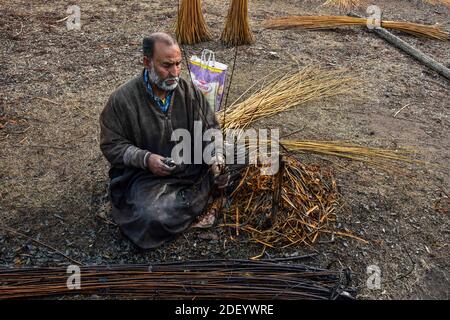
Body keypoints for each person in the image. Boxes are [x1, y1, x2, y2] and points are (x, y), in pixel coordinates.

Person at [99, 32, 228, 249]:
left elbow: (211, 129)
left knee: (242, 156)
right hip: (147, 178)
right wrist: (146, 159)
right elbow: (111, 145)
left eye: (178, 64)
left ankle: (201, 194)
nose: (175, 72)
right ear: (147, 62)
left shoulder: (188, 92)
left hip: (191, 164)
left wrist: (216, 157)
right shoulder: (123, 100)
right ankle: (205, 199)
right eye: (167, 65)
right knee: (151, 217)